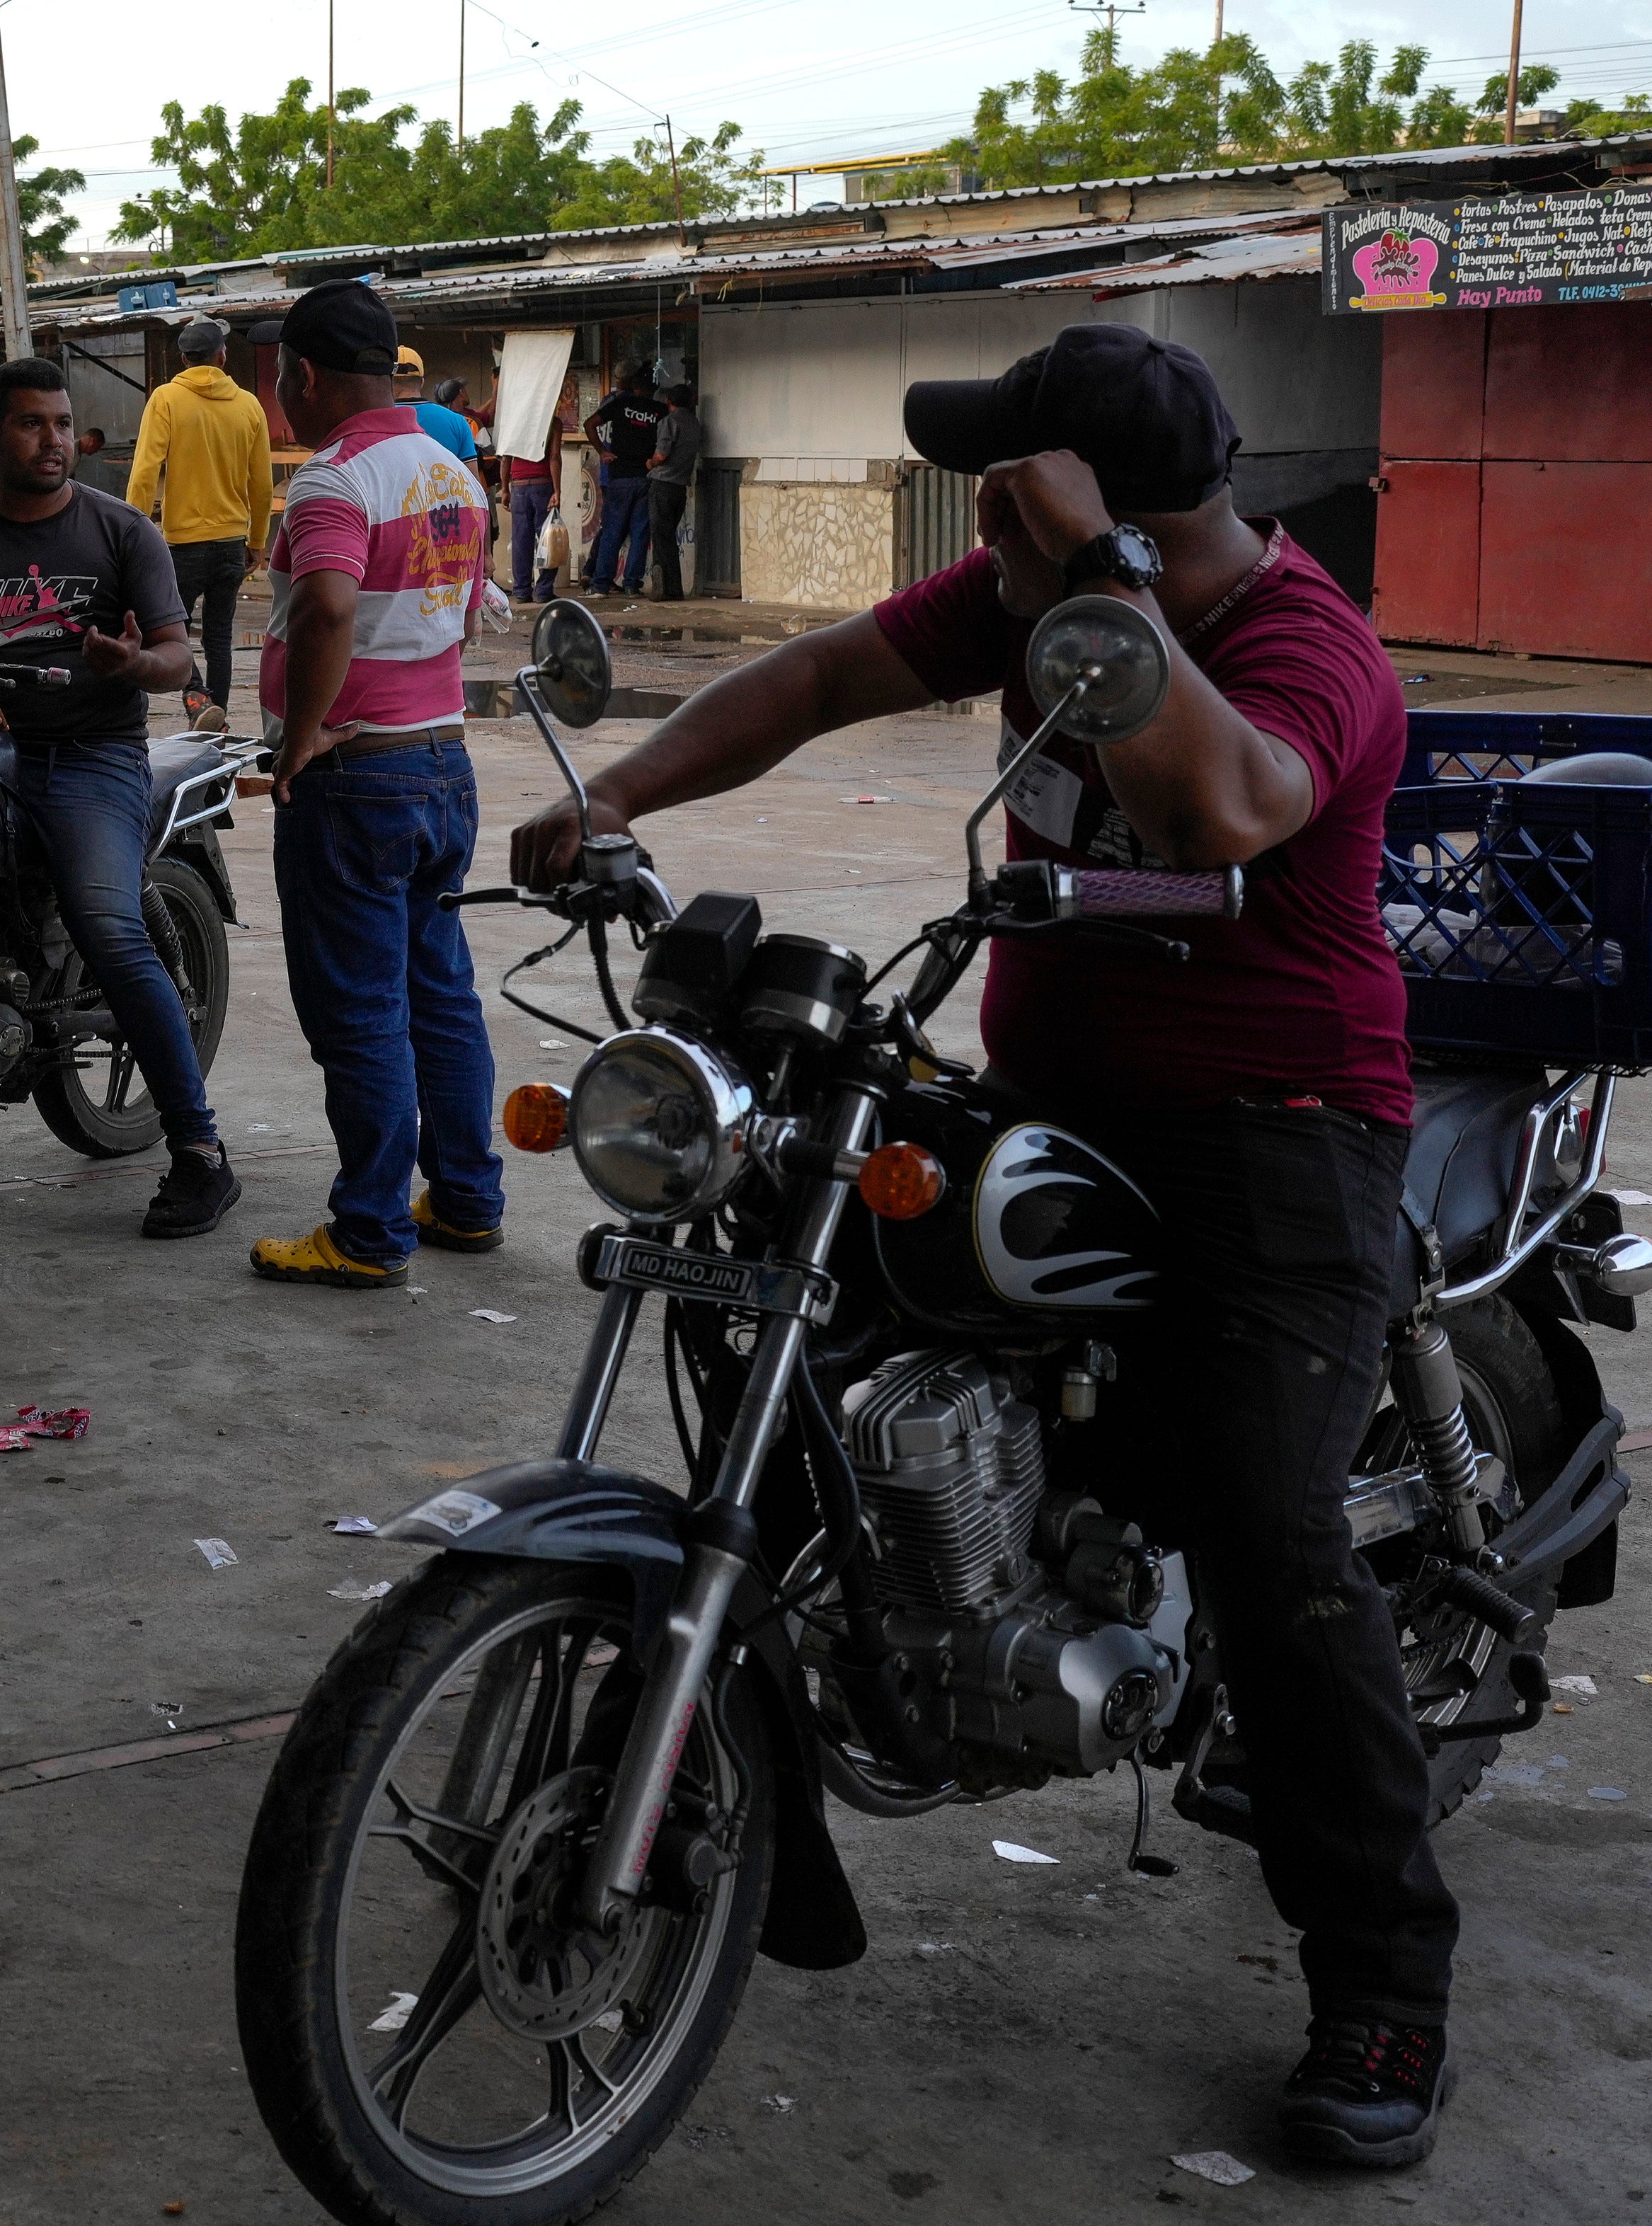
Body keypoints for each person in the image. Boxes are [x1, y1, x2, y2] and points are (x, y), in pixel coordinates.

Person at [511, 321, 1464, 2167]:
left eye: (1005, 482)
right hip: (1050, 1094)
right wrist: (612, 794)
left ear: (1089, 508)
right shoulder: (1018, 597)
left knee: (1266, 1532)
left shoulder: (1296, 647)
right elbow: (810, 678)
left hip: (1278, 1142)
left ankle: (1383, 1984)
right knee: (798, 1298)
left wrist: (1100, 592)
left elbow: (1224, 807)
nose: (977, 514)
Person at [0, 355, 240, 1241]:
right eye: (30, 425)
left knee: (111, 928)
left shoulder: (122, 532)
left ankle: (201, 1152)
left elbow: (173, 658)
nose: (52, 441)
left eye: (61, 425)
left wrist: (131, 665)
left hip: (91, 756)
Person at [243, 277, 502, 1290]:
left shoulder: (332, 482)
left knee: (357, 1010)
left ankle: (367, 1230)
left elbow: (327, 611)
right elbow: (465, 608)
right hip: (444, 764)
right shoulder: (453, 474)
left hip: (356, 772)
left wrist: (299, 739)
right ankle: (467, 1199)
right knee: (438, 992)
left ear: (302, 376)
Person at [125, 315, 275, 731]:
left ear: (184, 358)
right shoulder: (248, 405)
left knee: (172, 631)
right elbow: (262, 484)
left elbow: (144, 471)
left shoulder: (167, 398)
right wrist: (258, 539)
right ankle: (216, 719)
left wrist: (130, 532)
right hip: (232, 542)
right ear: (222, 356)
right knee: (219, 638)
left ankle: (197, 700)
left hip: (183, 545)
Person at [581, 367, 670, 595]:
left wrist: (602, 451)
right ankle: (632, 584)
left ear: (634, 387)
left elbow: (589, 424)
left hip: (619, 478)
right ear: (652, 389)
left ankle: (601, 584)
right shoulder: (660, 411)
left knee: (612, 532)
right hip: (645, 478)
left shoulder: (620, 405)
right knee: (640, 533)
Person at [641, 381, 706, 603]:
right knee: (668, 537)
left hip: (662, 484)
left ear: (669, 402)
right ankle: (674, 588)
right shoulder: (695, 424)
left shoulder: (669, 422)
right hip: (680, 486)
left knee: (660, 537)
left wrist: (650, 462)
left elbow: (662, 455)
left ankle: (664, 589)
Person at [505, 423, 563, 606]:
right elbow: (554, 457)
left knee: (521, 541)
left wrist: (505, 489)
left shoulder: (514, 419)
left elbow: (506, 458)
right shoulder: (552, 423)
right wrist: (557, 490)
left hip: (519, 487)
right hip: (543, 484)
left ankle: (522, 591)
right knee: (550, 539)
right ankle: (544, 590)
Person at [394, 348, 478, 471]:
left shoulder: (375, 423)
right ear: (422, 382)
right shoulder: (458, 422)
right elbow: (473, 482)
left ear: (389, 381)